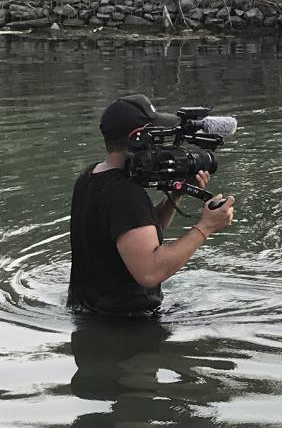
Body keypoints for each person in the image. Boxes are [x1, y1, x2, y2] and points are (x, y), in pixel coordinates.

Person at [68, 94, 235, 316]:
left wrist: (175, 195)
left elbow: (135, 236)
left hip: (91, 312)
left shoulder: (91, 177)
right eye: (156, 136)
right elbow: (150, 271)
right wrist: (206, 227)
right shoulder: (125, 193)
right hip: (127, 329)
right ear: (139, 139)